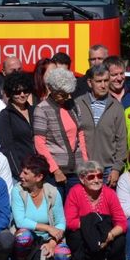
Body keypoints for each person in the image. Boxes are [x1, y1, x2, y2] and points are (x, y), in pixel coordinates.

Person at [63, 159, 126, 260]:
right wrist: (91, 231)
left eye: (100, 176)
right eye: (91, 177)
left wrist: (110, 235)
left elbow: (122, 222)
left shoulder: (110, 193)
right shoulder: (74, 192)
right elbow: (70, 222)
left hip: (105, 234)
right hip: (84, 235)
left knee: (120, 237)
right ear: (82, 179)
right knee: (74, 234)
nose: (96, 180)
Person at [32, 66, 88, 196]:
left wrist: (85, 162)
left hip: (77, 171)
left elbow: (80, 135)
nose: (68, 97)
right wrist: (55, 170)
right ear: (51, 89)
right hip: (55, 173)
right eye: (63, 94)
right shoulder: (42, 109)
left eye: (69, 92)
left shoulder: (73, 106)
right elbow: (39, 143)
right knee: (56, 211)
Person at [10, 154, 66, 260]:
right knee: (23, 237)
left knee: (63, 255)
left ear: (39, 177)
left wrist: (52, 243)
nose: (21, 176)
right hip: (28, 237)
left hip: (48, 238)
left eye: (25, 173)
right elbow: (20, 221)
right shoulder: (17, 191)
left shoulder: (52, 192)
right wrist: (47, 227)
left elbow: (61, 222)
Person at [74, 63, 127, 188]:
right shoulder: (77, 104)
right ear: (89, 82)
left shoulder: (116, 107)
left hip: (107, 169)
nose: (103, 85)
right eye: (98, 81)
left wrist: (116, 168)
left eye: (106, 80)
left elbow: (121, 141)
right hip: (83, 167)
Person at [0, 70, 35, 183]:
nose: (22, 94)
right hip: (20, 172)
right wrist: (20, 173)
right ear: (10, 93)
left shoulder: (35, 111)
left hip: (39, 170)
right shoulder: (5, 115)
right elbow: (7, 148)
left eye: (25, 90)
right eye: (17, 92)